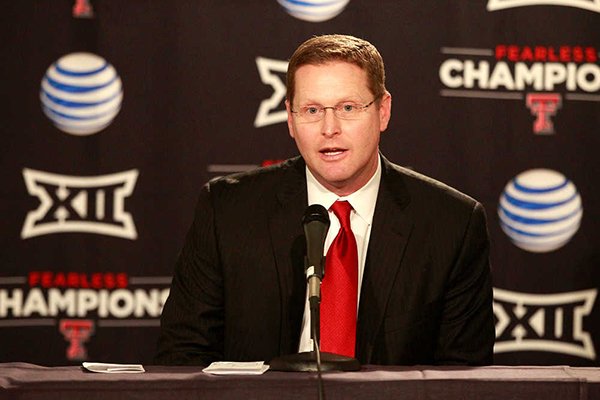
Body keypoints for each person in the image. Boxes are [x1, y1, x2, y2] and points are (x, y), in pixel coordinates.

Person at [155, 34, 494, 366]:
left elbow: (461, 376)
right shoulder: (228, 211)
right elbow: (182, 358)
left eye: (348, 107)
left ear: (383, 111)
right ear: (290, 118)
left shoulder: (452, 224)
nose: (329, 128)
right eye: (312, 109)